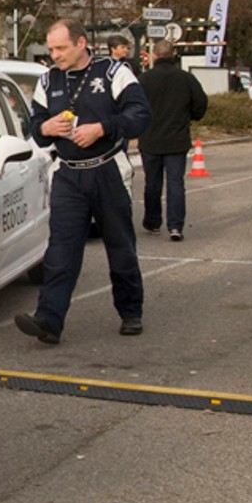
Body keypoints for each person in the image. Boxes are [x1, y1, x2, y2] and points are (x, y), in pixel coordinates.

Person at [15, 18, 152, 344]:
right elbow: (35, 126)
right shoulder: (49, 81)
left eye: (61, 48)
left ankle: (131, 311)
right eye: (51, 49)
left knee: (120, 246)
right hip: (68, 172)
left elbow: (141, 114)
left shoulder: (113, 73)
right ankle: (48, 320)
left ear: (81, 43)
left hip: (107, 170)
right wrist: (46, 129)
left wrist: (102, 128)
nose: (55, 55)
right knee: (61, 249)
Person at [137, 39, 207, 241]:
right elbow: (200, 102)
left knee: (152, 183)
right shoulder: (185, 79)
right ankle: (175, 226)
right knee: (176, 183)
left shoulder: (144, 79)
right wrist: (191, 117)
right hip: (177, 137)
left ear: (154, 56)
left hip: (150, 138)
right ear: (174, 54)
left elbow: (134, 105)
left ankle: (152, 221)